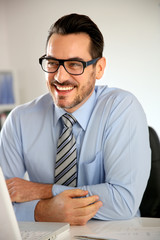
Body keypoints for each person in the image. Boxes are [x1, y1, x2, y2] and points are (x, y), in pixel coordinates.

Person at [0, 13, 151, 225]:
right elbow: (3, 205)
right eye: (52, 63)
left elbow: (123, 201)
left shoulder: (121, 108)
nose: (60, 77)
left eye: (74, 64)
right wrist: (43, 212)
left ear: (99, 68)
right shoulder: (18, 120)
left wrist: (43, 191)